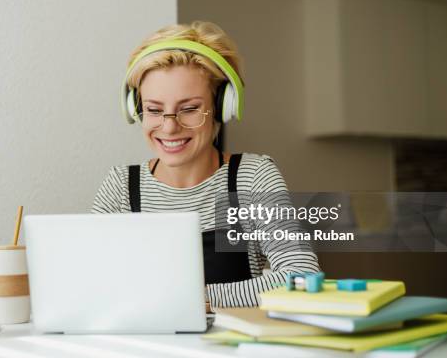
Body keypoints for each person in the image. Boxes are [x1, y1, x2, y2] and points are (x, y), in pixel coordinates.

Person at [92, 21, 319, 309]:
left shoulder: (251, 177)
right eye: (154, 110)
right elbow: (92, 282)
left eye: (189, 109)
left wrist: (194, 299)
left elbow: (301, 277)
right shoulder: (120, 187)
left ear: (223, 106)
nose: (170, 127)